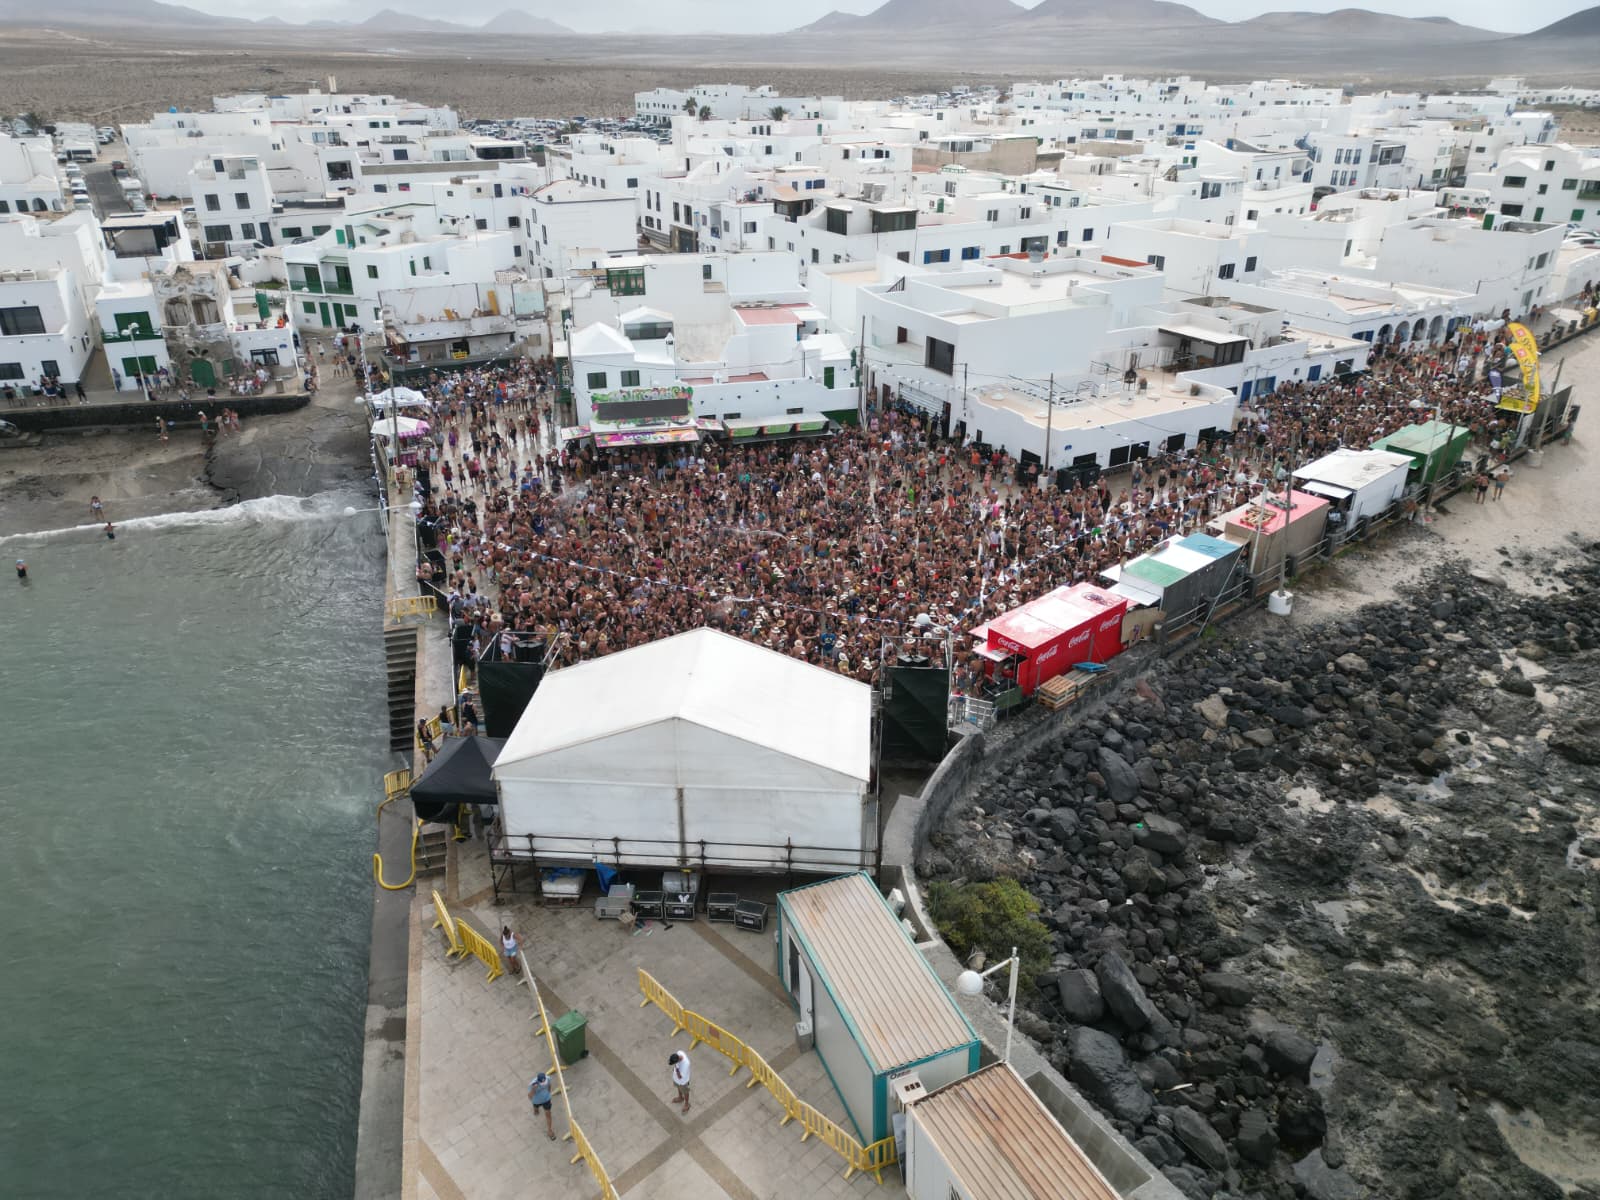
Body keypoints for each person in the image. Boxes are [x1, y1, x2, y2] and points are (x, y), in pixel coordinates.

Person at [527, 1072, 555, 1140]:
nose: (543, 1084)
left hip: (546, 1099)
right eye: (542, 1083)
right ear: (538, 1081)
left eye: (544, 1082)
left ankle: (550, 1130)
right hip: (536, 1101)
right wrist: (533, 1089)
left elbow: (549, 1084)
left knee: (548, 1114)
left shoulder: (547, 1078)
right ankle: (536, 1110)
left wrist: (548, 1092)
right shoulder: (532, 1085)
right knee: (536, 1107)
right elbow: (530, 1097)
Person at [668, 1050, 691, 1114]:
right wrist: (675, 1068)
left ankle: (687, 1104)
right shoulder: (679, 1052)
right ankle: (680, 1098)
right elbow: (675, 1066)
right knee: (678, 1087)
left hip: (683, 1081)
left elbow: (680, 1077)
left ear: (677, 1060)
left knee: (685, 1092)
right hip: (676, 1078)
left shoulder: (686, 1063)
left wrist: (677, 1069)